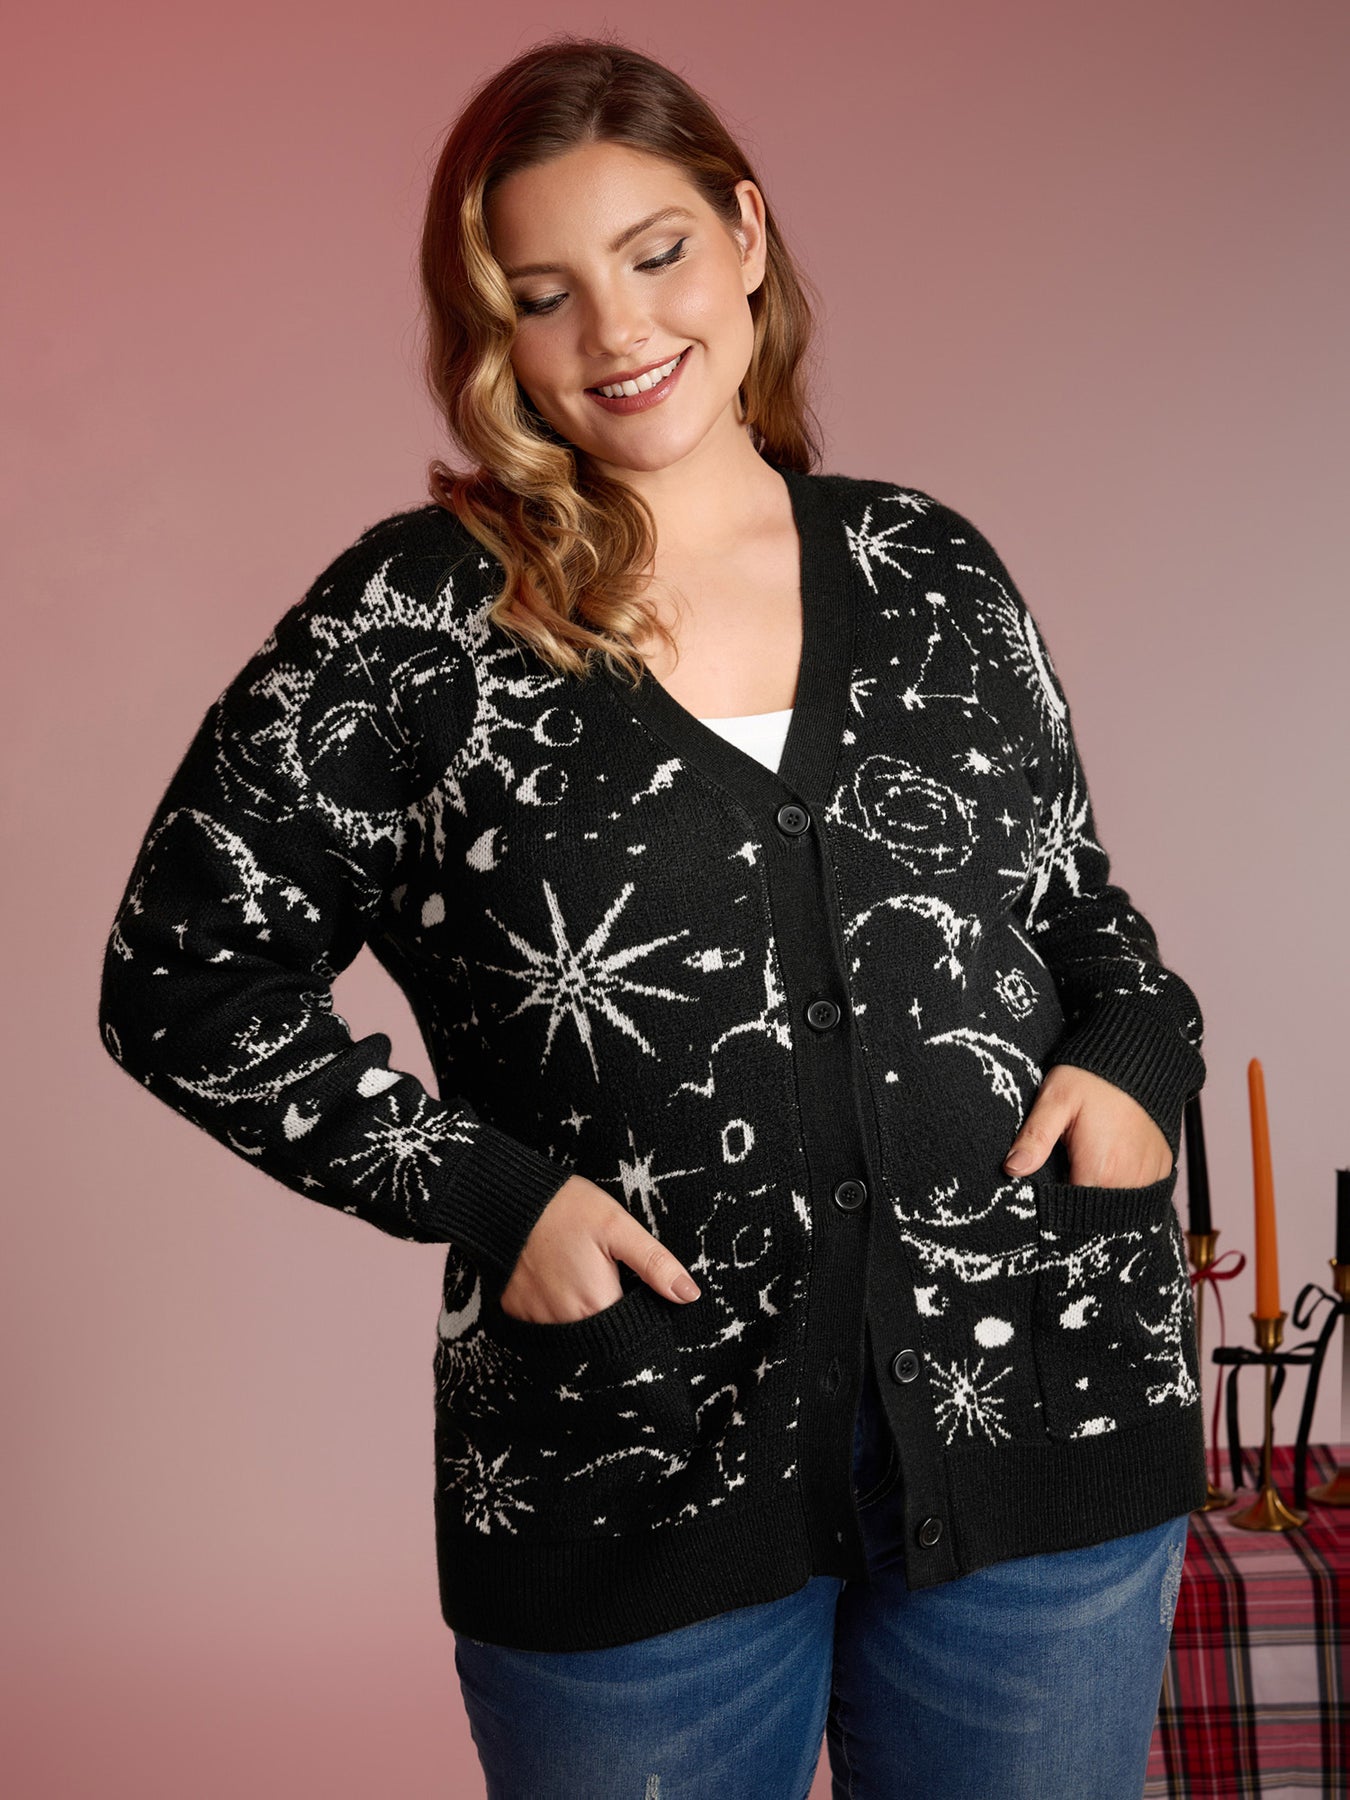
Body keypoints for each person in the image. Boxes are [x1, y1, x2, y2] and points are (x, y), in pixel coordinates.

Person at [98, 33, 1207, 1800]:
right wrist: (492, 1195)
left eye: (655, 252)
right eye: (541, 295)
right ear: (492, 335)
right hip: (630, 1462)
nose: (614, 332)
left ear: (746, 235)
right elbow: (184, 977)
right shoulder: (424, 618)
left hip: (1043, 1423)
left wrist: (1140, 1054)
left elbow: (1076, 917)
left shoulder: (924, 567)